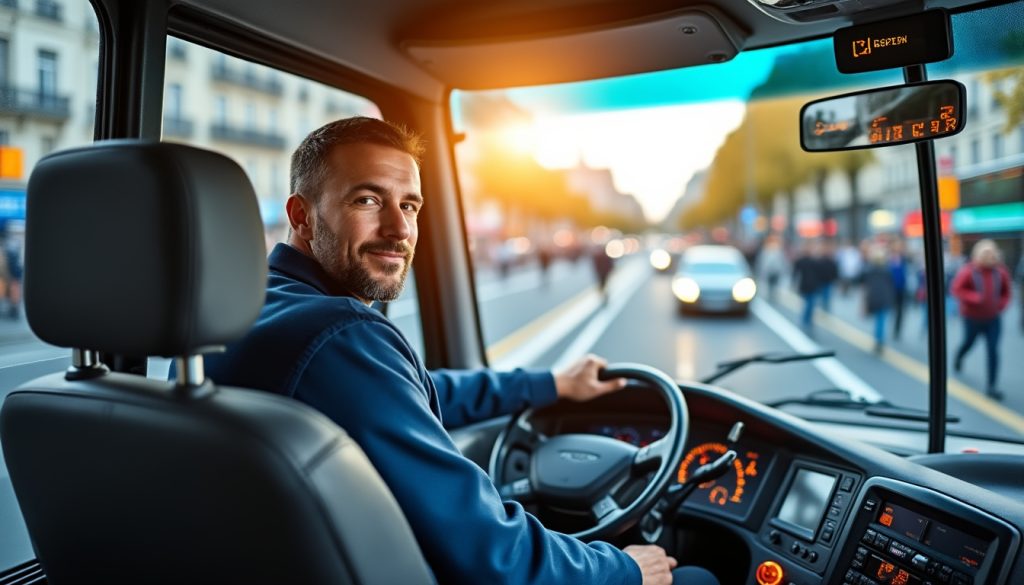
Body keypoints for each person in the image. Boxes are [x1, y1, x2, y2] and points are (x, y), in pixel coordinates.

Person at [203, 117, 718, 585]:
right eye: (367, 200)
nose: (399, 229)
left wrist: (549, 385)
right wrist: (624, 569)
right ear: (301, 215)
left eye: (409, 205)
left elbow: (410, 393)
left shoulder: (252, 308)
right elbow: (491, 554)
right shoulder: (340, 333)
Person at [951, 239, 1012, 400]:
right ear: (977, 254)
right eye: (986, 253)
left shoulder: (1000, 272)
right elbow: (957, 289)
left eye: (992, 253)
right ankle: (959, 357)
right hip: (972, 318)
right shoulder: (969, 271)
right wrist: (975, 298)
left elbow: (1006, 292)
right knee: (968, 343)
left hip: (993, 318)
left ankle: (992, 386)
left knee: (993, 350)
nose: (989, 256)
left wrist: (1001, 304)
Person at [862, 245, 895, 354]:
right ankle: (879, 341)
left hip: (874, 298)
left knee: (878, 320)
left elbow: (864, 285)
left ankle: (878, 340)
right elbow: (891, 285)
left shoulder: (869, 270)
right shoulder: (887, 270)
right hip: (884, 298)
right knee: (881, 320)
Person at [755, 233, 787, 303]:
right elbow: (763, 261)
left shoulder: (777, 250)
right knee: (771, 284)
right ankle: (771, 294)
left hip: (775, 271)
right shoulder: (767, 250)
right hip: (771, 271)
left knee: (773, 284)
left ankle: (772, 294)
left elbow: (782, 262)